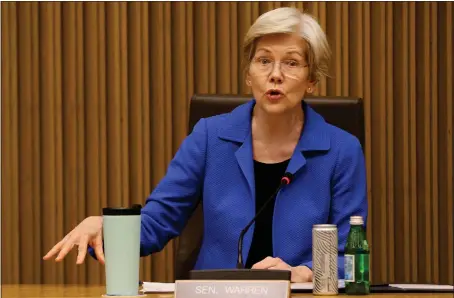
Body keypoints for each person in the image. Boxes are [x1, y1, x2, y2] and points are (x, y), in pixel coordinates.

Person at [44, 7, 367, 283]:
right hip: (215, 293)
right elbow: (158, 223)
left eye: (292, 63)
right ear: (248, 74)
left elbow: (348, 255)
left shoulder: (341, 150)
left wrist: (303, 273)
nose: (275, 75)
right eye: (264, 61)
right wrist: (107, 227)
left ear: (312, 80)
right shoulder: (210, 137)